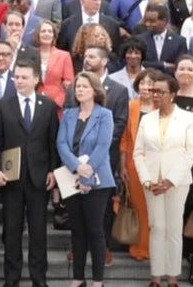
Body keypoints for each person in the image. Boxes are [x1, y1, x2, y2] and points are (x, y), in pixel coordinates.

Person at [0, 57, 60, 287]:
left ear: (36, 79)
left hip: (39, 179)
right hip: (11, 179)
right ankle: (12, 280)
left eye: (24, 77)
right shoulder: (3, 104)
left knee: (38, 233)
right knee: (12, 232)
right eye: (16, 77)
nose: (18, 81)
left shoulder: (48, 105)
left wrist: (53, 171)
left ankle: (39, 279)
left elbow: (53, 142)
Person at [133, 72, 193, 287]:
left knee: (174, 228)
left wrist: (170, 180)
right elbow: (138, 153)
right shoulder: (147, 119)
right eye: (153, 91)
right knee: (156, 227)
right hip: (151, 181)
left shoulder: (187, 118)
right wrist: (147, 180)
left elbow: (190, 152)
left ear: (172, 94)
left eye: (160, 91)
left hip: (177, 181)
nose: (155, 95)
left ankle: (172, 277)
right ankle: (156, 276)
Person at [56, 72, 116, 287]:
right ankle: (78, 278)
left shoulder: (105, 115)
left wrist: (87, 175)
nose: (80, 90)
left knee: (95, 230)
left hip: (98, 182)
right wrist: (77, 167)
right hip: (72, 178)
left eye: (84, 86)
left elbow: (103, 146)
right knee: (77, 231)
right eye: (77, 86)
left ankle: (97, 281)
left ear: (95, 90)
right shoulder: (68, 114)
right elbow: (61, 144)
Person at [119, 69, 156, 260]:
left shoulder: (162, 107)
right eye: (142, 83)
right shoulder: (131, 106)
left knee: (154, 208)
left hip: (156, 164)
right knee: (138, 205)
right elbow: (125, 139)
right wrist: (123, 166)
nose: (146, 87)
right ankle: (140, 246)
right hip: (133, 164)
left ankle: (153, 248)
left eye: (150, 83)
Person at [34, 20, 74, 108]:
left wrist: (57, 102)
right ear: (38, 34)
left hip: (55, 105)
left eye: (50, 31)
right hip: (34, 102)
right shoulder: (31, 54)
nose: (47, 34)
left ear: (54, 35)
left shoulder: (64, 56)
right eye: (43, 31)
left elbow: (69, 84)